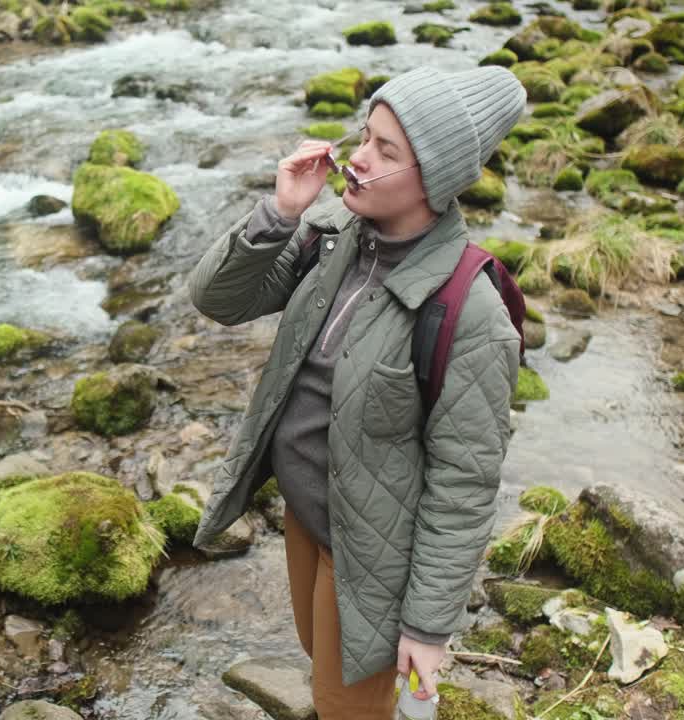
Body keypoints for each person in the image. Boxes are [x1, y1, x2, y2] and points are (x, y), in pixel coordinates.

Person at [187, 66, 527, 718]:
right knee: (326, 671)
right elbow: (218, 299)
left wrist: (428, 628)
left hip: (372, 557)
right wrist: (281, 210)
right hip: (308, 517)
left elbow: (465, 484)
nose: (358, 157)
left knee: (348, 706)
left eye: (386, 150)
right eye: (364, 135)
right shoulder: (331, 234)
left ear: (435, 178)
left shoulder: (469, 311)